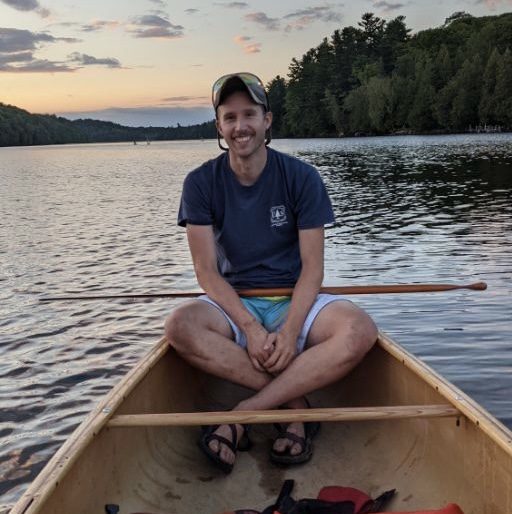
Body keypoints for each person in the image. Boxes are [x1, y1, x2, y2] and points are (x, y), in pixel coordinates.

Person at [165, 72, 377, 473]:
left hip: (294, 298)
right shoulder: (199, 183)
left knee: (359, 330)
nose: (240, 126)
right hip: (234, 302)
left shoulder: (302, 178)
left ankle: (244, 413)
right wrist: (251, 328)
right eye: (229, 117)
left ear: (267, 120)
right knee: (180, 325)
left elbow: (313, 270)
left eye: (249, 114)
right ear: (219, 127)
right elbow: (207, 274)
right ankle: (296, 407)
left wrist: (289, 331)